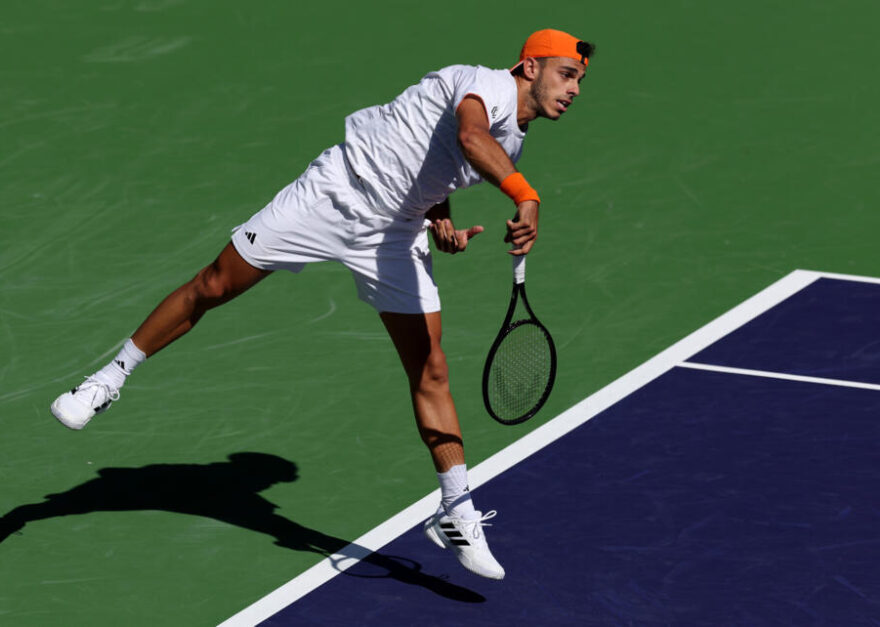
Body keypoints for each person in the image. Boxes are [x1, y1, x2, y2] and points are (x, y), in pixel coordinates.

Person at [51, 28, 594, 580]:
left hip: (396, 233)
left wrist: (441, 221)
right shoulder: (481, 86)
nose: (574, 89)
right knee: (214, 284)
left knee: (430, 371)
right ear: (530, 67)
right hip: (333, 195)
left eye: (579, 81)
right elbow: (472, 136)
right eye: (567, 74)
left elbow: (436, 162)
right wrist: (526, 195)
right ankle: (110, 377)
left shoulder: (515, 141)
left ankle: (456, 511)